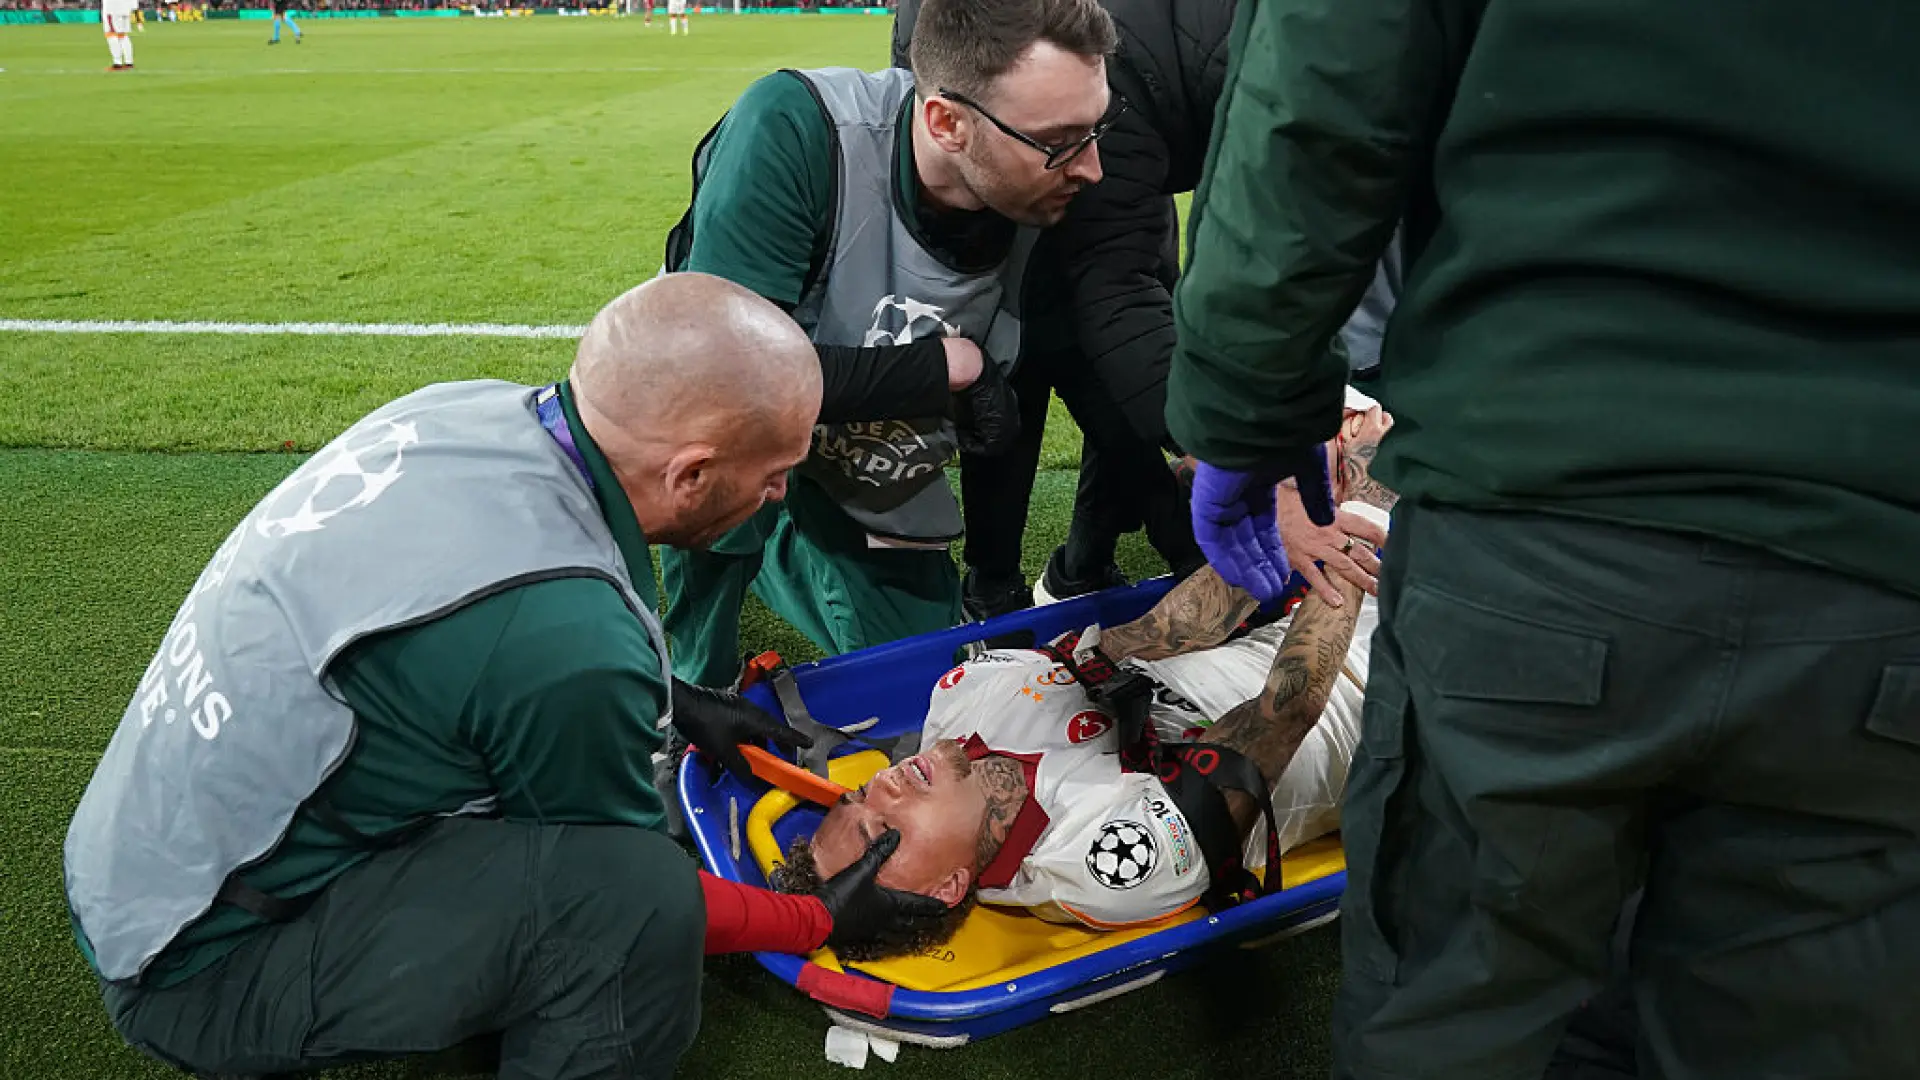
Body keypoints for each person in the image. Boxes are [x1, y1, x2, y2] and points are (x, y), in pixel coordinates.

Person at [1166, 3, 1920, 1078]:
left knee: (1459, 1013)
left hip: (1550, 512)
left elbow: (1318, 101)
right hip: (1873, 562)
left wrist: (1245, 412)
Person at [65, 275, 946, 1080]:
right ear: (691, 474)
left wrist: (676, 700)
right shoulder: (568, 643)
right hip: (198, 967)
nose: (780, 496)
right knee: (632, 905)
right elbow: (626, 882)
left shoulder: (464, 414)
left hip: (141, 871)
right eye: (776, 474)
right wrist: (815, 918)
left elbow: (441, 620)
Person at [770, 395, 1395, 956]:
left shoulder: (960, 706)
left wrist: (1287, 528)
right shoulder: (1100, 862)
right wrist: (1348, 526)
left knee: (1345, 430)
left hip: (1322, 616)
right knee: (1421, 438)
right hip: (1405, 690)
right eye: (885, 832)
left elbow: (1158, 635)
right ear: (948, 886)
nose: (882, 788)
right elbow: (1289, 710)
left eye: (858, 795)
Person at [658, 0, 1119, 687]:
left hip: (870, 423)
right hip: (737, 404)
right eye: (1061, 140)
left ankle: (788, 545)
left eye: (1098, 128)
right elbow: (726, 374)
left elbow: (1104, 366)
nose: (1094, 168)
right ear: (947, 123)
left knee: (928, 679)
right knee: (718, 471)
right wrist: (942, 368)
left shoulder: (1052, 193)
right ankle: (691, 673)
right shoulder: (794, 128)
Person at [889, 0, 1395, 616]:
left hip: (1120, 117)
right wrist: (1242, 452)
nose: (1092, 169)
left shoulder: (1233, 71)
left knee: (1123, 345)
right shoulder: (1098, 79)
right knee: (1025, 356)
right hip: (1035, 119)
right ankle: (998, 582)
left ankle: (1087, 559)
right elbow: (1121, 292)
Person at [100, 0, 135, 70]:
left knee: (110, 34)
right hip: (126, 8)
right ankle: (129, 62)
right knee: (122, 35)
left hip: (112, 8)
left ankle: (117, 63)